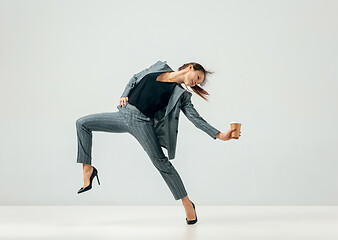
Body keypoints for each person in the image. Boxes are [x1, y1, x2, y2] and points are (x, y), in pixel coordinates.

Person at [75, 60, 241, 224]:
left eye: (198, 82)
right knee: (82, 123)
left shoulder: (181, 95)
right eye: (197, 77)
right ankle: (88, 169)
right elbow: (135, 78)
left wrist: (220, 135)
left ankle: (187, 203)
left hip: (142, 123)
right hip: (122, 115)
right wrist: (124, 94)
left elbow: (196, 119)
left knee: (162, 163)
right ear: (190, 67)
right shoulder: (159, 67)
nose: (195, 82)